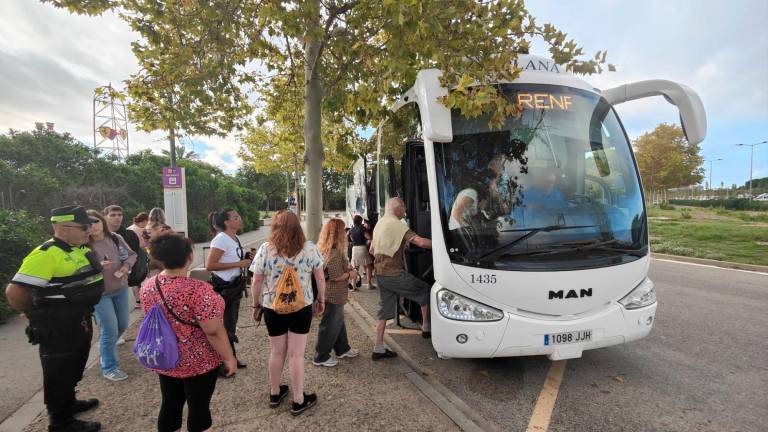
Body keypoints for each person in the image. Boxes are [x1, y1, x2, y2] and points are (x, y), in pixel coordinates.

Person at [5, 205, 104, 432]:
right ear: (61, 226)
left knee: (74, 365)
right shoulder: (46, 253)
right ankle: (60, 421)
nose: (88, 231)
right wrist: (35, 316)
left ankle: (68, 402)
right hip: (57, 325)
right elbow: (14, 291)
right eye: (83, 227)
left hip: (79, 319)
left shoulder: (77, 249)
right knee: (58, 370)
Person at [141, 234, 237, 432]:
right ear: (190, 257)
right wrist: (229, 357)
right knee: (198, 407)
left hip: (165, 355)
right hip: (199, 361)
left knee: (169, 404)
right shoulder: (199, 290)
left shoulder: (149, 285)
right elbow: (213, 330)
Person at [249, 210, 326, 416]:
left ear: (275, 226)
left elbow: (256, 280)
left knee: (276, 351)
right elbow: (320, 278)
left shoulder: (266, 249)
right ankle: (299, 399)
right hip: (301, 307)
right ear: (297, 226)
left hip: (273, 308)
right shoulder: (310, 248)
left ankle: (275, 393)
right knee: (296, 354)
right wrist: (321, 300)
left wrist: (255, 305)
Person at [370, 197, 433, 360]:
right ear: (398, 208)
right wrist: (441, 245)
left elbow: (371, 249)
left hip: (381, 274)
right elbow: (421, 243)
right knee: (425, 289)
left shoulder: (380, 223)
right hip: (393, 273)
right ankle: (426, 327)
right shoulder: (398, 225)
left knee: (383, 311)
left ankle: (378, 348)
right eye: (404, 208)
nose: (405, 212)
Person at [87, 210, 137, 381]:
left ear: (102, 221)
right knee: (109, 329)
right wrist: (96, 267)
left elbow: (131, 255)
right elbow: (78, 271)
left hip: (120, 287)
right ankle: (109, 366)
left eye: (95, 221)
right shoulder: (83, 244)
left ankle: (105, 351)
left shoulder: (115, 238)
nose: (92, 225)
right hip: (100, 293)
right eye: (87, 223)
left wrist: (126, 267)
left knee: (122, 324)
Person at [205, 209, 251, 375]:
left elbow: (233, 259)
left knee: (230, 325)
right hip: (224, 288)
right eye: (236, 217)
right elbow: (210, 265)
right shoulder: (221, 239)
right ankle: (223, 362)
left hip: (234, 287)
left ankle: (229, 358)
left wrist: (244, 258)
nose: (240, 219)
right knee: (224, 326)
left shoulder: (234, 237)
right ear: (226, 222)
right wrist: (239, 264)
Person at [312, 219, 359, 367]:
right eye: (344, 230)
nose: (346, 233)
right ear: (339, 233)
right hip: (334, 294)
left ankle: (342, 349)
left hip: (329, 294)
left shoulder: (323, 249)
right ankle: (321, 356)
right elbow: (336, 276)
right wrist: (351, 274)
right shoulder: (335, 253)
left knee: (338, 322)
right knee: (330, 325)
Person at [104, 205, 146, 312]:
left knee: (122, 321)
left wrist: (129, 270)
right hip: (104, 281)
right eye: (112, 215)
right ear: (105, 217)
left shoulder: (130, 235)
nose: (117, 217)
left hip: (124, 278)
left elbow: (134, 255)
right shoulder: (99, 235)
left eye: (119, 215)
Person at [349, 215, 375, 288]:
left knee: (355, 267)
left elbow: (351, 239)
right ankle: (369, 284)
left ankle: (353, 285)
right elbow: (368, 237)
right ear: (360, 221)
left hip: (354, 249)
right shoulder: (362, 229)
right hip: (362, 248)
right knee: (368, 266)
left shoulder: (351, 230)